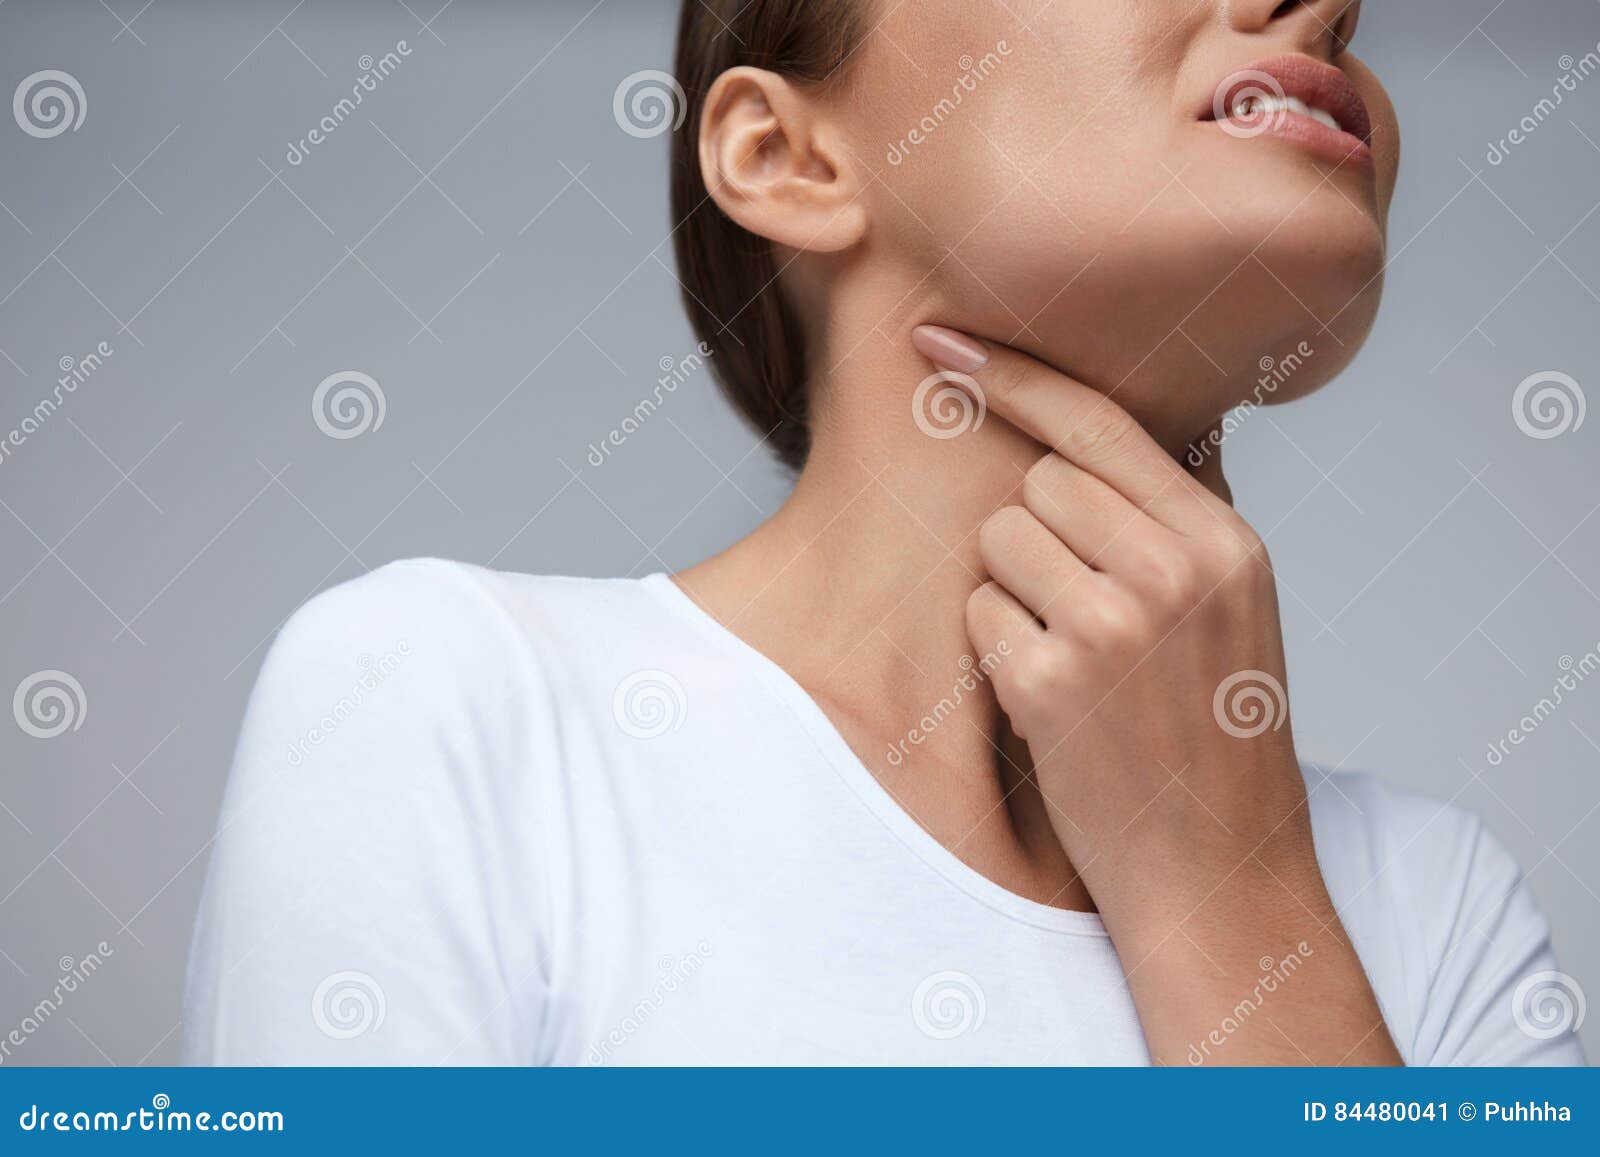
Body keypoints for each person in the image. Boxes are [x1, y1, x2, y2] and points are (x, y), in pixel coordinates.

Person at [183, 0, 1586, 1065]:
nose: (1325, 6)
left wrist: (1234, 903)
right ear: (783, 156)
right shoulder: (441, 702)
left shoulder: (1435, 898)